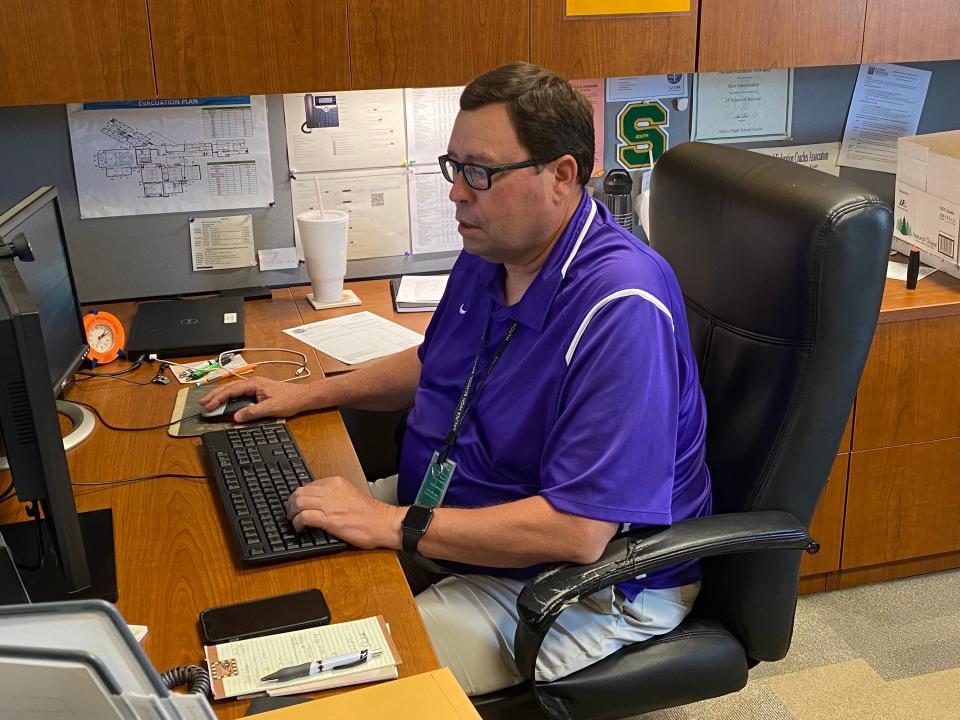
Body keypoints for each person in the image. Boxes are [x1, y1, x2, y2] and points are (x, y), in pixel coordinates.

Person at [200, 62, 711, 696]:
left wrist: (393, 525)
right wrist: (309, 393)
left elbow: (578, 531)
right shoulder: (493, 250)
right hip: (457, 510)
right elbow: (436, 363)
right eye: (454, 167)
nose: (456, 194)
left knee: (326, 685)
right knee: (259, 576)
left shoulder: (620, 307)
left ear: (561, 176)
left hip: (582, 582)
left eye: (481, 173)